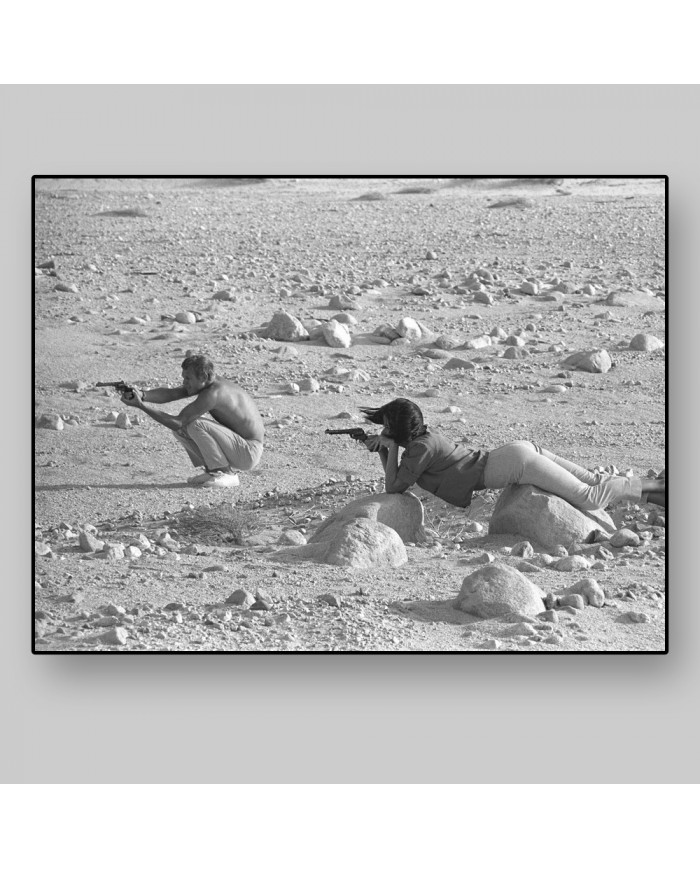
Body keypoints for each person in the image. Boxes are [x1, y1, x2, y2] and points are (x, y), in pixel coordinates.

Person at [360, 398, 665, 511]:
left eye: (387, 426)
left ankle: (655, 486)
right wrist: (385, 449)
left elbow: (394, 486)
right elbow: (399, 476)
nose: (384, 430)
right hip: (516, 453)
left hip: (517, 463)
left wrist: (389, 448)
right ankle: (658, 497)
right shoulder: (422, 441)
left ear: (399, 430)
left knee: (590, 497)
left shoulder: (420, 448)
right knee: (594, 480)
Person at [120, 354, 264, 488]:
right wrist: (142, 394)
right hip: (240, 448)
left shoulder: (213, 393)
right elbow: (173, 393)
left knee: (194, 424)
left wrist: (141, 405)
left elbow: (177, 422)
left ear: (202, 377)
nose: (184, 383)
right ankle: (213, 470)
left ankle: (226, 474)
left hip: (248, 452)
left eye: (188, 378)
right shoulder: (208, 382)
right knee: (182, 430)